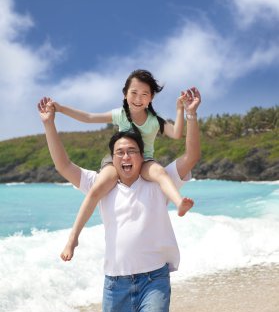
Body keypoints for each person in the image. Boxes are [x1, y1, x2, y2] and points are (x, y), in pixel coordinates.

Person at [37, 85, 201, 312]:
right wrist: (50, 124)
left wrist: (191, 115)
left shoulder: (157, 181)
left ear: (142, 156)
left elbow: (191, 156)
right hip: (116, 285)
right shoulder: (100, 184)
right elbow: (63, 165)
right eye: (120, 152)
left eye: (132, 151)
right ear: (112, 160)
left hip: (154, 280)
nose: (126, 157)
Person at [45, 70, 194, 261]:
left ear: (151, 98)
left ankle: (178, 202)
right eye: (134, 93)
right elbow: (89, 117)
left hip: (144, 160)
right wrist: (60, 108)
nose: (138, 99)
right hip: (117, 161)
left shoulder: (155, 121)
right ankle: (73, 238)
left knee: (160, 173)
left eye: (144, 94)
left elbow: (177, 133)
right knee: (97, 189)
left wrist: (180, 109)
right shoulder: (120, 114)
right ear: (125, 94)